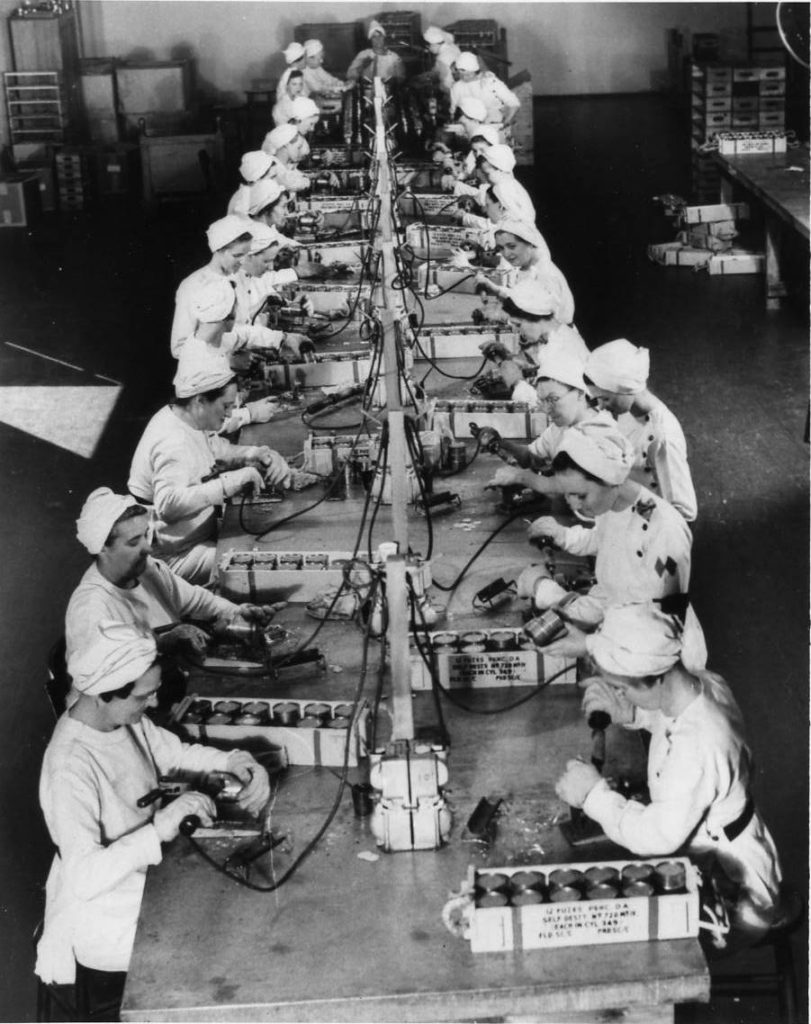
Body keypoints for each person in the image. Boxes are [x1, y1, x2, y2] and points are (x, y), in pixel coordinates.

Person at [35, 622, 271, 1017]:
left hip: (142, 898)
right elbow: (85, 876)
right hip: (106, 937)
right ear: (104, 692)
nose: (155, 702)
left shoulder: (120, 720)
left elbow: (175, 752)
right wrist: (159, 829)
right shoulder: (70, 765)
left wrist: (235, 761)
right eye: (145, 695)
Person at [554, 602, 782, 940]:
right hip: (719, 842)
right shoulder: (701, 683)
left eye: (621, 688)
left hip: (735, 883)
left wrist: (593, 795)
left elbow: (657, 837)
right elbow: (671, 720)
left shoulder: (699, 743)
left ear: (654, 679)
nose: (619, 693)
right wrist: (630, 713)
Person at [65, 489, 281, 692]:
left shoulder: (147, 569)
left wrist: (236, 613)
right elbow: (102, 684)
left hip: (179, 678)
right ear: (103, 548)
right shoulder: (90, 607)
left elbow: (201, 602)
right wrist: (164, 642)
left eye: (145, 536)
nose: (148, 548)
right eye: (133, 542)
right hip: (145, 705)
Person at [128, 340, 291, 584]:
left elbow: (216, 448)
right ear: (200, 401)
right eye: (225, 406)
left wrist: (255, 453)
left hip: (195, 535)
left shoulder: (185, 418)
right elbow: (169, 505)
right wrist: (228, 484)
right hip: (174, 556)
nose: (228, 414)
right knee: (264, 564)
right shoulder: (172, 441)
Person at [520, 418, 694, 635]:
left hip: (645, 646)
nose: (573, 504)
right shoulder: (612, 505)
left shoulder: (664, 530)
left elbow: (659, 623)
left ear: (610, 480)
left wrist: (551, 595)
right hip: (611, 618)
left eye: (581, 495)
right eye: (567, 494)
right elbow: (606, 540)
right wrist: (562, 535)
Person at [585, 338, 697, 522]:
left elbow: (684, 512)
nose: (601, 406)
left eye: (605, 399)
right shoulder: (626, 411)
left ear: (626, 389)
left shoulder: (662, 437)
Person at [485, 349, 613, 494]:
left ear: (579, 393)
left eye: (553, 399)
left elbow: (577, 491)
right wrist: (501, 443)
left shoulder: (600, 432)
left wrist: (521, 477)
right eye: (542, 401)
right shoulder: (560, 426)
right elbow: (530, 456)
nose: (546, 409)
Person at [170, 215, 253, 357]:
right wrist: (226, 361)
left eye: (246, 254)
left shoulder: (238, 277)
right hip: (210, 373)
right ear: (219, 250)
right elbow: (179, 348)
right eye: (237, 255)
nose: (243, 261)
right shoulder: (192, 286)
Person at [477, 218, 575, 326]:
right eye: (501, 248)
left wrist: (501, 314)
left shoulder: (546, 275)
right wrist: (495, 289)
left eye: (512, 246)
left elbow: (544, 322)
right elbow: (526, 297)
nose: (506, 254)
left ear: (530, 243)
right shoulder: (529, 266)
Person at [482, 280, 589, 373]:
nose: (517, 331)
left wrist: (507, 368)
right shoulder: (553, 337)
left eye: (518, 325)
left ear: (534, 317)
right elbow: (539, 370)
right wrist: (507, 357)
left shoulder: (563, 346)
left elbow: (540, 392)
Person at [453, 143, 535, 223]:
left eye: (487, 173)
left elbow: (497, 225)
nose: (485, 177)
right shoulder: (506, 182)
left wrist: (466, 218)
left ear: (501, 169)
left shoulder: (502, 188)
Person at [449, 52, 520, 129]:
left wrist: (505, 122)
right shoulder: (456, 87)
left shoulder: (491, 83)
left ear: (475, 71)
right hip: (468, 129)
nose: (464, 77)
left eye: (468, 74)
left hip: (494, 125)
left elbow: (514, 103)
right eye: (461, 73)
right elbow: (453, 112)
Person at [346, 20, 405, 87]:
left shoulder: (394, 57)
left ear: (384, 37)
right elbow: (349, 76)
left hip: (388, 94)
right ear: (371, 40)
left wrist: (391, 79)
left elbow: (401, 79)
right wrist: (362, 66)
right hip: (367, 93)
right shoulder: (363, 55)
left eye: (380, 36)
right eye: (374, 37)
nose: (377, 39)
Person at [260, 124, 311, 193]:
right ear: (286, 145)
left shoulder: (283, 165)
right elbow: (293, 184)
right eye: (298, 147)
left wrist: (312, 176)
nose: (299, 152)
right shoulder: (273, 167)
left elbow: (295, 174)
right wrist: (308, 181)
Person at [227, 150, 279, 217]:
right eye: (272, 177)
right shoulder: (247, 197)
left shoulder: (245, 192)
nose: (275, 181)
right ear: (258, 179)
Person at [423, 25, 461, 96]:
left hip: (451, 91)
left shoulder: (442, 58)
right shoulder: (452, 47)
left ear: (436, 44)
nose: (428, 48)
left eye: (429, 45)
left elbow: (446, 82)